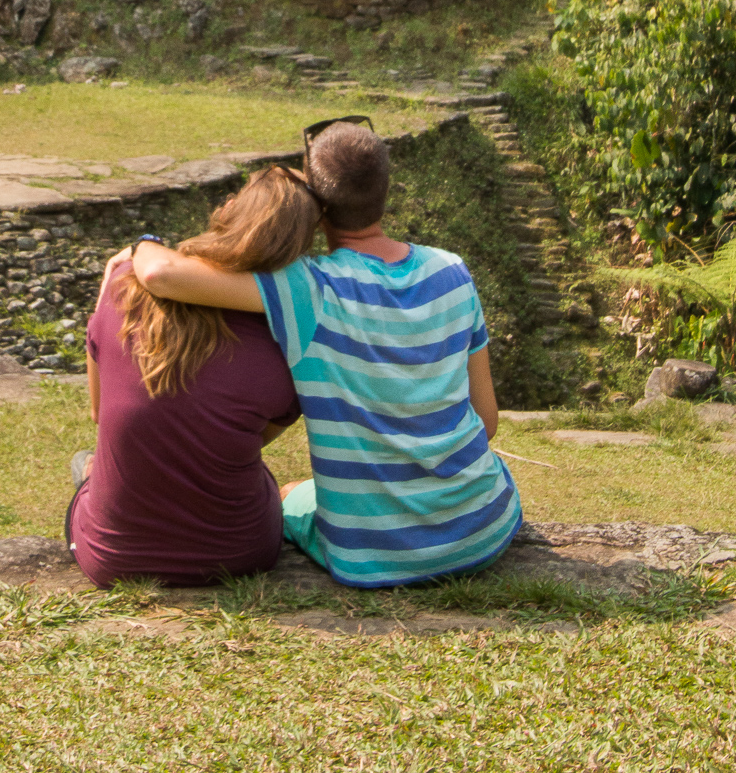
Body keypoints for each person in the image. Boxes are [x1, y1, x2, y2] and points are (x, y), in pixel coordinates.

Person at [131, 119, 521, 590]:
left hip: (371, 552)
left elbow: (161, 277)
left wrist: (142, 244)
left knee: (288, 493)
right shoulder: (454, 272)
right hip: (484, 527)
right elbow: (487, 419)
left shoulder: (307, 289)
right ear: (385, 188)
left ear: (317, 205)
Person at [65, 166, 320, 586]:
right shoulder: (290, 337)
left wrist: (112, 283)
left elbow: (98, 412)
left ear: (229, 208)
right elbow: (238, 441)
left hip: (115, 558)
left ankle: (95, 474)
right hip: (241, 553)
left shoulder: (124, 286)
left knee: (95, 467)